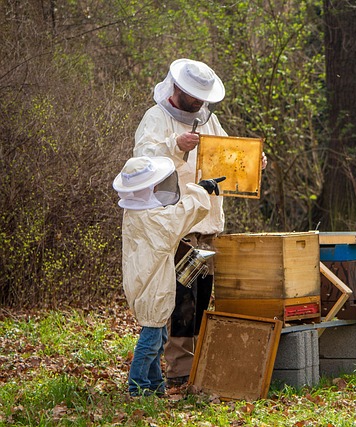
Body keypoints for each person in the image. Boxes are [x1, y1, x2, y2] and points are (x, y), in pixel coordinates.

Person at [133, 58, 267, 387]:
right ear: (176, 88)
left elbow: (227, 160)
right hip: (177, 226)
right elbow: (140, 163)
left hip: (208, 227)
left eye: (201, 97)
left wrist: (253, 163)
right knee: (182, 300)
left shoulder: (209, 119)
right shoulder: (156, 118)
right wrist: (174, 146)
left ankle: (196, 367)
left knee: (202, 297)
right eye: (193, 96)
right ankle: (179, 370)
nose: (198, 102)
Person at [112, 156, 221, 397]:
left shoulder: (135, 213)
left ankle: (155, 385)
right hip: (152, 285)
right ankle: (137, 386)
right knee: (151, 338)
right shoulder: (153, 220)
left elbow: (168, 215)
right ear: (147, 188)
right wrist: (199, 190)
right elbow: (180, 216)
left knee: (157, 335)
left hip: (144, 280)